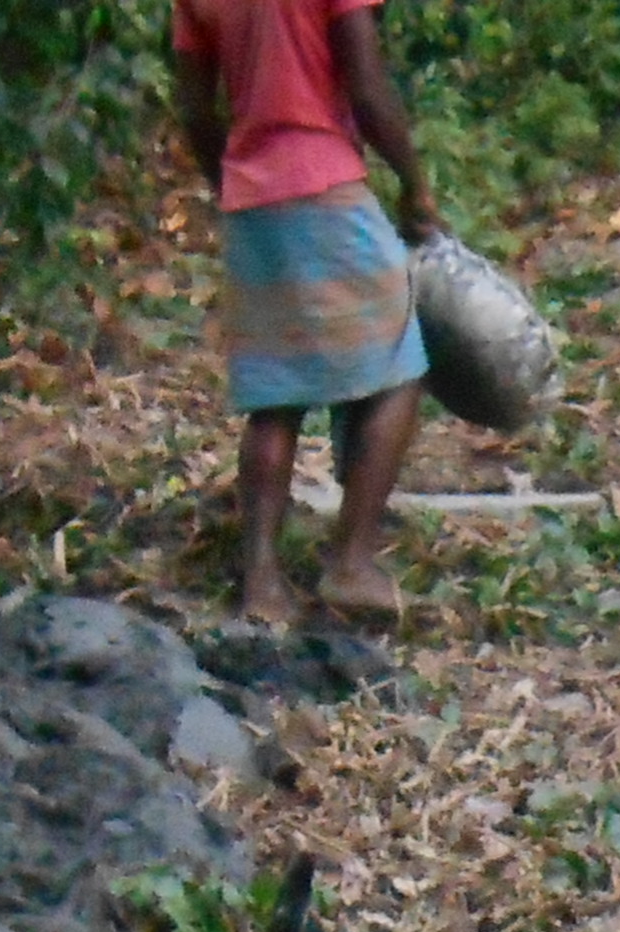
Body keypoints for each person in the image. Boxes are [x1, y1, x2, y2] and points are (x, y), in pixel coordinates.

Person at [171, 0, 436, 628]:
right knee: (401, 361)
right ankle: (352, 561)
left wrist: (233, 179)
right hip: (325, 182)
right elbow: (368, 89)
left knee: (276, 394)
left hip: (251, 195)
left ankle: (261, 582)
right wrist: (415, 185)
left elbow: (194, 110)